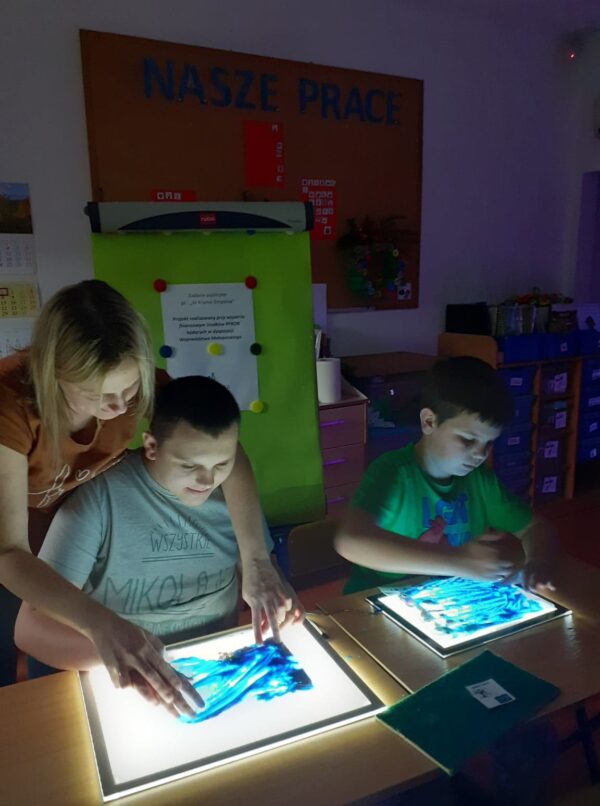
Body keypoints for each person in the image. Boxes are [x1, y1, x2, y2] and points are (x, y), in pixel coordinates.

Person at [0, 280, 296, 713]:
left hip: (60, 532)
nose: (120, 407)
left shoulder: (137, 386)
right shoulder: (10, 406)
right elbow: (8, 553)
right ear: (53, 372)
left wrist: (256, 561)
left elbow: (219, 445)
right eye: (98, 396)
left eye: (129, 389)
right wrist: (101, 626)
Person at [335, 356, 558, 594]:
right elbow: (350, 541)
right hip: (375, 598)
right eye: (468, 440)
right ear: (429, 422)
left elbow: (536, 527)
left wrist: (538, 560)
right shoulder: (392, 472)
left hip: (449, 594)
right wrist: (458, 560)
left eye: (489, 443)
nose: (481, 454)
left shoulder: (480, 480)